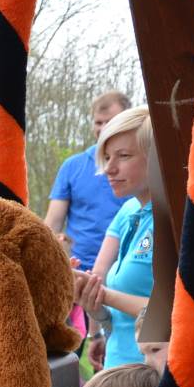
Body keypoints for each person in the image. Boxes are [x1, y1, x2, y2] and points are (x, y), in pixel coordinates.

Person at [74, 107, 156, 369]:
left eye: (124, 155)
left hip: (150, 374)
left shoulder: (178, 219)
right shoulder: (128, 210)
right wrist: (91, 302)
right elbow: (113, 307)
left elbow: (176, 314)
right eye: (107, 157)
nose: (109, 168)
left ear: (157, 156)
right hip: (117, 369)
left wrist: (105, 295)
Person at [44, 91, 131, 272]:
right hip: (77, 270)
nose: (103, 128)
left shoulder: (140, 168)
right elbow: (53, 223)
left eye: (110, 121)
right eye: (98, 122)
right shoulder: (72, 166)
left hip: (123, 273)